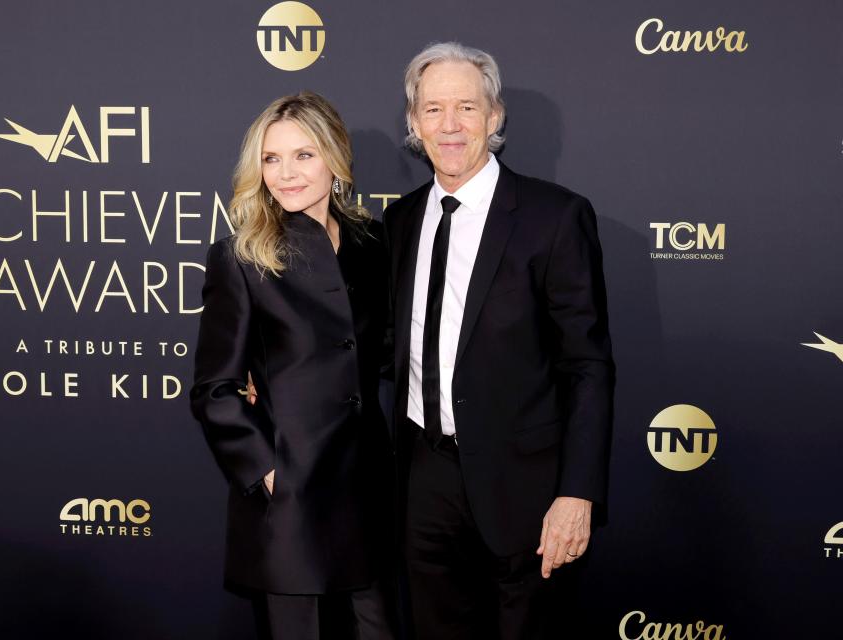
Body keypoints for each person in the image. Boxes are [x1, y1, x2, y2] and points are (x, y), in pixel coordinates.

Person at [382, 43, 615, 639]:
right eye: (433, 109)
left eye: (466, 106)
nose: (450, 125)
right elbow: (376, 341)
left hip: (526, 488)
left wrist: (576, 494)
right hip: (424, 478)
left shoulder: (554, 217)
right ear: (413, 123)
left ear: (495, 116)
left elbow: (587, 365)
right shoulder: (401, 220)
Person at [189, 92, 395, 640]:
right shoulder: (241, 256)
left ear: (334, 157)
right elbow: (214, 389)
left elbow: (391, 353)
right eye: (272, 158)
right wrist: (267, 472)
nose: (286, 174)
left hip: (367, 489)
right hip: (291, 500)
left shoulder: (372, 244)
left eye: (304, 156)